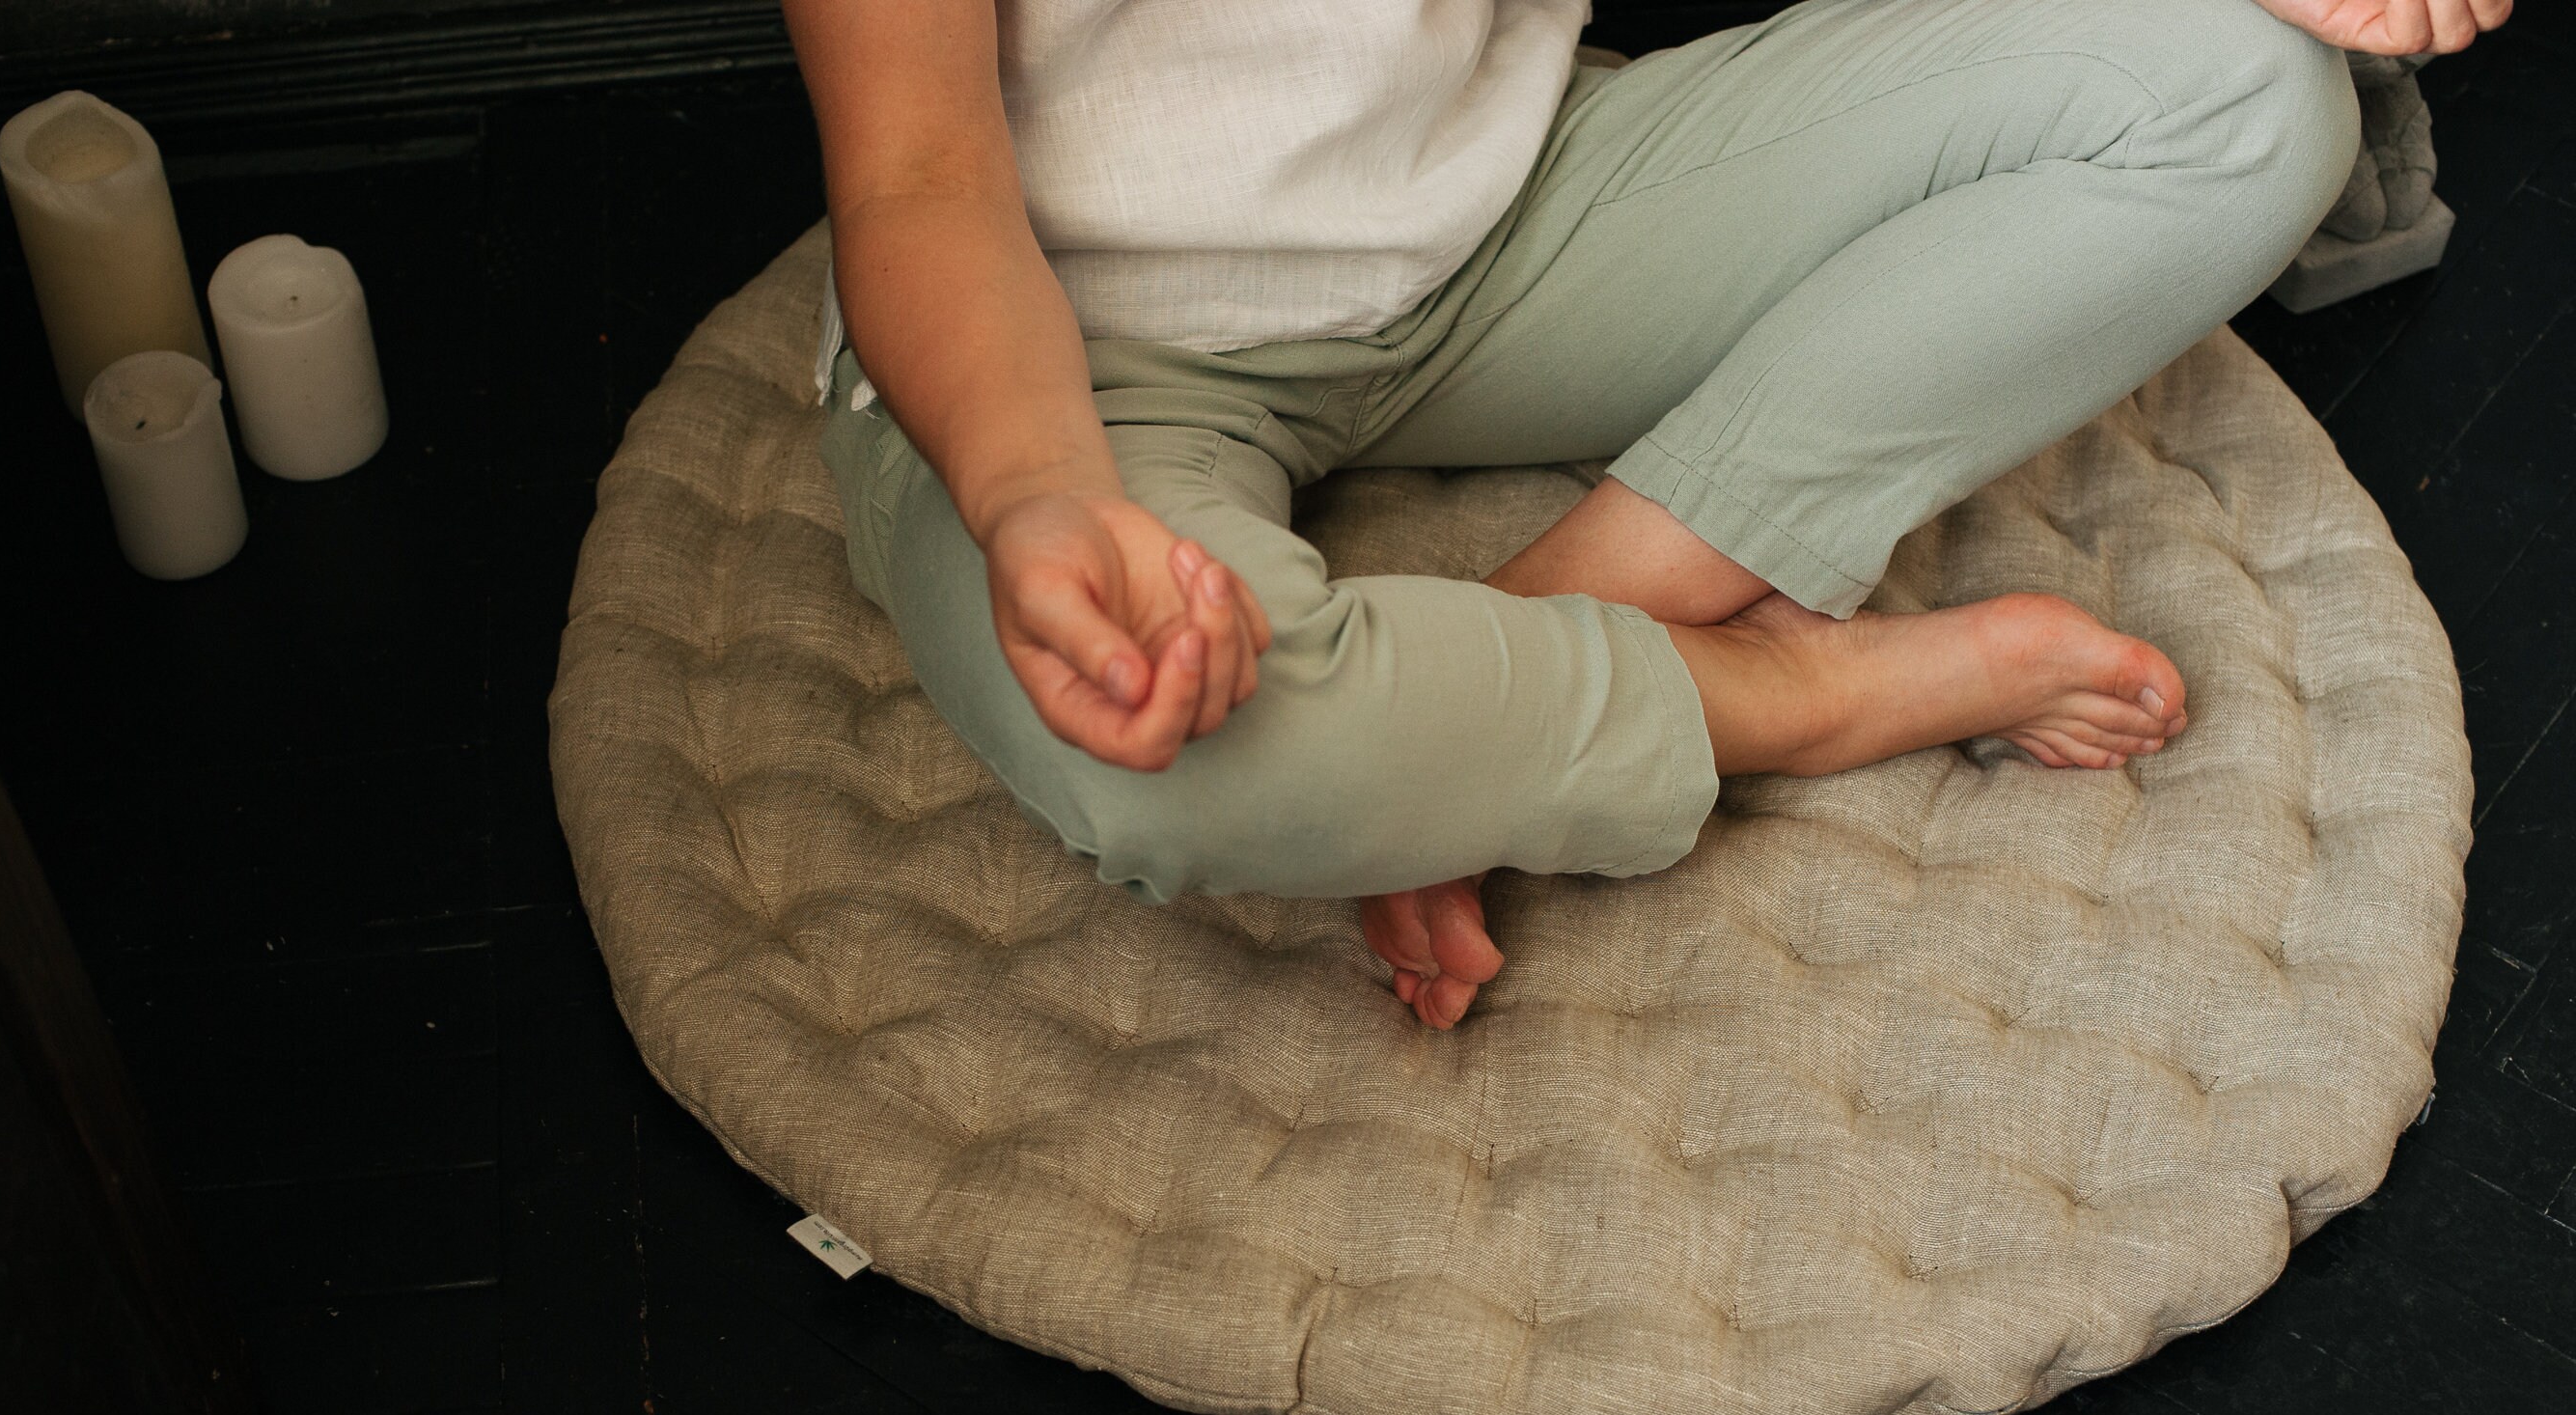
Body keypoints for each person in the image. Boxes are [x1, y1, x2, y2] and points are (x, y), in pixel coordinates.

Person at [786, 0, 2509, 1028]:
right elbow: (916, 180)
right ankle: (1805, 693)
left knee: (2246, 97)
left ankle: (1567, 635)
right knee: (1184, 747)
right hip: (1076, 356)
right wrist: (1033, 497)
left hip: (1512, 223)